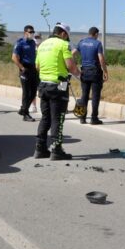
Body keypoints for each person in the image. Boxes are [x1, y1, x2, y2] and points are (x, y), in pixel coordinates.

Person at [34, 23, 81, 160]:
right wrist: (80, 75)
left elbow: (37, 67)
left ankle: (40, 148)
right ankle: (56, 150)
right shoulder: (63, 44)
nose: (67, 39)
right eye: (67, 37)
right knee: (58, 118)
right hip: (59, 84)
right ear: (63, 34)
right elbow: (70, 66)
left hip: (43, 85)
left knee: (45, 117)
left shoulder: (42, 45)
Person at [72, 27, 109, 124]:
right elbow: (101, 59)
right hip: (95, 72)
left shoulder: (81, 42)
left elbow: (72, 54)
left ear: (89, 33)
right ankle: (94, 118)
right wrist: (105, 71)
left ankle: (82, 118)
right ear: (96, 34)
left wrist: (74, 66)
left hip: (84, 72)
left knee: (84, 95)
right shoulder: (97, 43)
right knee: (95, 96)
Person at [12, 25, 39, 122]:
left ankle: (23, 109)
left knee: (34, 92)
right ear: (25, 33)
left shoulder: (33, 43)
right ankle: (26, 114)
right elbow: (14, 57)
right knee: (26, 92)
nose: (32, 33)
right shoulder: (20, 43)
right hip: (24, 68)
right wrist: (22, 68)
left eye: (33, 32)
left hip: (33, 68)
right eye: (30, 32)